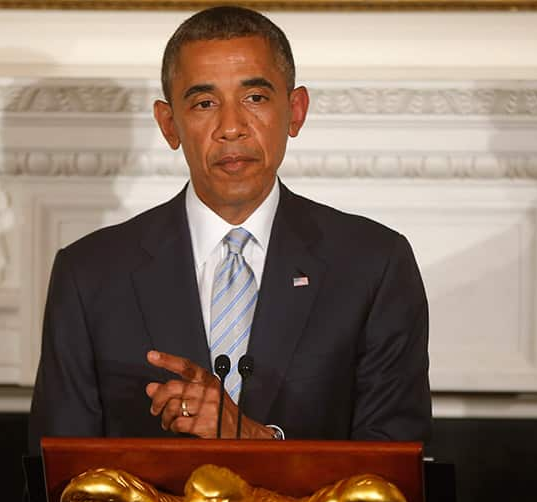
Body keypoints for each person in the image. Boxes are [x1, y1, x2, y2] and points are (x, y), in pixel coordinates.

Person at [29, 4, 431, 453]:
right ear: (169, 125)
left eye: (255, 98)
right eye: (204, 103)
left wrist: (255, 440)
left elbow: (393, 481)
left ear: (295, 111)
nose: (231, 128)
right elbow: (58, 478)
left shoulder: (373, 266)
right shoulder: (88, 275)